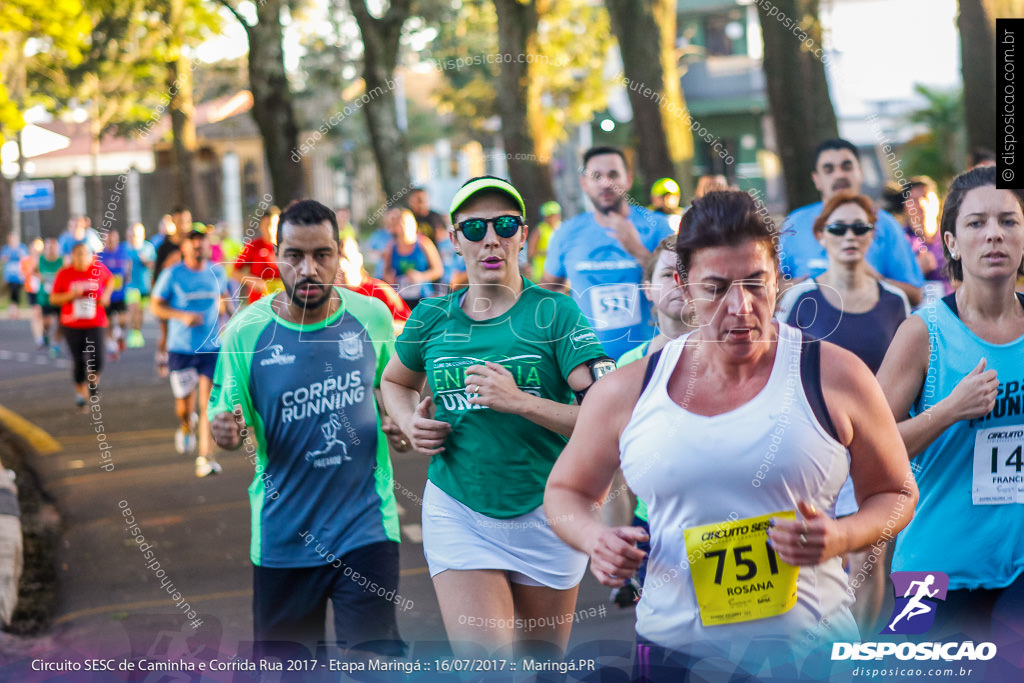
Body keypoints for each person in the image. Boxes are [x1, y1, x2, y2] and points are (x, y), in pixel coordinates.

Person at [545, 190, 918, 679]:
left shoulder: (835, 375)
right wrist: (596, 538)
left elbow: (896, 492)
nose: (740, 306)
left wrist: (841, 535)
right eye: (717, 288)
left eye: (755, 283)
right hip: (674, 652)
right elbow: (565, 491)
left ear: (779, 280)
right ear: (683, 285)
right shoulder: (628, 390)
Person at [381, 176, 612, 659]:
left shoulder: (555, 313)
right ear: (454, 239)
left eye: (506, 225)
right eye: (475, 227)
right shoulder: (430, 318)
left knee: (541, 666)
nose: (491, 238)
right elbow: (394, 382)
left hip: (546, 508)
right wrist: (409, 424)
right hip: (459, 508)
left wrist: (522, 401)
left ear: (523, 235)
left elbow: (603, 416)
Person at [209, 199, 406, 659]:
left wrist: (400, 422)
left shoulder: (371, 318)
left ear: (340, 256)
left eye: (322, 255)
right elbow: (228, 416)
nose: (308, 269)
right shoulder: (246, 334)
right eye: (294, 256)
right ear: (276, 258)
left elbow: (393, 391)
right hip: (285, 536)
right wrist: (226, 431)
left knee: (373, 666)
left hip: (367, 528)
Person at [877, 166, 1024, 655]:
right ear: (952, 243)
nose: (995, 234)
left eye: (1009, 221)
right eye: (978, 223)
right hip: (931, 570)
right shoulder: (924, 334)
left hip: (1018, 568)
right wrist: (949, 411)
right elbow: (868, 449)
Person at [776, 191, 910, 633]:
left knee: (869, 565)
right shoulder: (798, 301)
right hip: (813, 450)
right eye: (838, 228)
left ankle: (858, 658)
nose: (849, 236)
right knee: (814, 563)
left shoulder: (896, 302)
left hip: (872, 451)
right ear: (821, 236)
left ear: (873, 235)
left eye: (860, 227)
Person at [612, 235, 696, 607]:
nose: (677, 282)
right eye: (666, 274)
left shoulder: (736, 355)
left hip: (734, 522)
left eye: (687, 272)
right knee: (667, 648)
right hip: (656, 528)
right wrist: (616, 536)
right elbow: (608, 467)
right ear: (647, 289)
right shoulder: (626, 369)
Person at [541, 146, 673, 360]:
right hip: (587, 363)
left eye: (613, 175)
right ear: (584, 183)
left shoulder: (657, 226)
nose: (605, 183)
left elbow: (680, 287)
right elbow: (547, 293)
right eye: (596, 176)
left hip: (651, 359)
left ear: (628, 180)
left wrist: (637, 250)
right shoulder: (567, 232)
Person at [780, 138, 925, 306]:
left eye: (847, 167)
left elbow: (915, 295)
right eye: (829, 170)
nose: (839, 175)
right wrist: (804, 287)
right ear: (816, 179)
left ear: (861, 172)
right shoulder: (795, 224)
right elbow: (771, 285)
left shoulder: (885, 225)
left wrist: (875, 280)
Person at [151, 225, 232, 477]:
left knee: (209, 405)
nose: (198, 245)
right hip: (182, 348)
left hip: (211, 348)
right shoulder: (172, 274)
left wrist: (232, 324)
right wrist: (181, 316)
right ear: (184, 247)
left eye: (202, 241)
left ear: (208, 245)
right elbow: (156, 306)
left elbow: (227, 302)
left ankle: (205, 457)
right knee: (184, 408)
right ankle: (186, 425)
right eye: (192, 241)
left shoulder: (217, 272)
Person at [49, 241, 114, 411]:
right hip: (72, 324)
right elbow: (53, 298)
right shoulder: (64, 274)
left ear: (90, 255)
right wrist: (70, 295)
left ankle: (93, 380)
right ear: (72, 256)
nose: (81, 257)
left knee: (97, 358)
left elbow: (111, 280)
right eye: (77, 254)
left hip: (96, 321)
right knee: (79, 360)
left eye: (84, 254)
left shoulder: (97, 269)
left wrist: (106, 296)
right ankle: (80, 393)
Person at [336, 235, 411, 335]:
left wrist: (377, 326)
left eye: (346, 257)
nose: (342, 265)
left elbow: (410, 326)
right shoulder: (331, 294)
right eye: (337, 260)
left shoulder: (379, 290)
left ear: (359, 259)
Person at [382, 208, 444, 310]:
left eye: (406, 223)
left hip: (423, 297)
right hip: (400, 299)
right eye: (400, 223)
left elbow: (438, 270)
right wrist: (390, 279)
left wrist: (421, 276)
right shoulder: (391, 247)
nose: (403, 227)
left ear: (414, 224)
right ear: (395, 227)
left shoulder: (424, 243)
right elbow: (385, 273)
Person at [902, 176, 951, 303]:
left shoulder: (954, 237)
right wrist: (915, 270)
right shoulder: (900, 241)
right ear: (906, 208)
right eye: (914, 200)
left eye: (926, 197)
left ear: (938, 202)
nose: (922, 205)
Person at [234, 209, 282, 305]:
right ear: (261, 226)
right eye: (267, 225)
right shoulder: (253, 246)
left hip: (283, 302)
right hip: (259, 304)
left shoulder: (288, 247)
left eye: (274, 225)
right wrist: (253, 281)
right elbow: (234, 272)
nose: (270, 229)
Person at [99, 229, 132, 359]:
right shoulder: (100, 255)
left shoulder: (123, 253)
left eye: (114, 238)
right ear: (105, 240)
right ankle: (111, 347)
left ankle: (121, 336)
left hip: (120, 293)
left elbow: (128, 267)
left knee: (123, 319)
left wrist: (127, 276)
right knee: (108, 322)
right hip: (106, 294)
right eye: (109, 238)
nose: (111, 241)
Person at [125, 223, 155, 348]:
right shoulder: (126, 249)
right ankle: (133, 332)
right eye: (132, 233)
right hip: (131, 286)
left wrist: (144, 259)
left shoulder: (147, 247)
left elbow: (151, 264)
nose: (134, 236)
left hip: (145, 286)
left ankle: (138, 333)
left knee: (141, 311)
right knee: (133, 309)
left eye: (137, 233)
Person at [36, 238, 64, 356]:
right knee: (47, 322)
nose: (51, 250)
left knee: (61, 322)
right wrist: (38, 276)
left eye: (54, 247)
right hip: (45, 297)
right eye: (49, 248)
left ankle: (55, 344)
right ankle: (45, 334)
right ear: (45, 249)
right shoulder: (40, 260)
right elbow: (33, 271)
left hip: (59, 297)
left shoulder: (62, 261)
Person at [529, 201, 562, 281]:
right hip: (542, 274)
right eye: (547, 216)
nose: (549, 218)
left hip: (559, 273)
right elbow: (531, 252)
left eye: (552, 215)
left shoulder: (562, 227)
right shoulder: (540, 230)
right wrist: (547, 252)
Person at [20, 239, 44, 346]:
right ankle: (38, 338)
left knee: (43, 315)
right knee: (36, 313)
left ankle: (44, 332)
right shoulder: (26, 260)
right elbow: (22, 275)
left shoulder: (43, 260)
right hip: (31, 289)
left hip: (43, 290)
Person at [2, 233, 28, 318]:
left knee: (16, 291)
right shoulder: (6, 248)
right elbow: (2, 258)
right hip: (10, 275)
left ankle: (14, 308)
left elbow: (26, 258)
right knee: (13, 290)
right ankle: (14, 309)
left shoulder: (22, 248)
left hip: (19, 275)